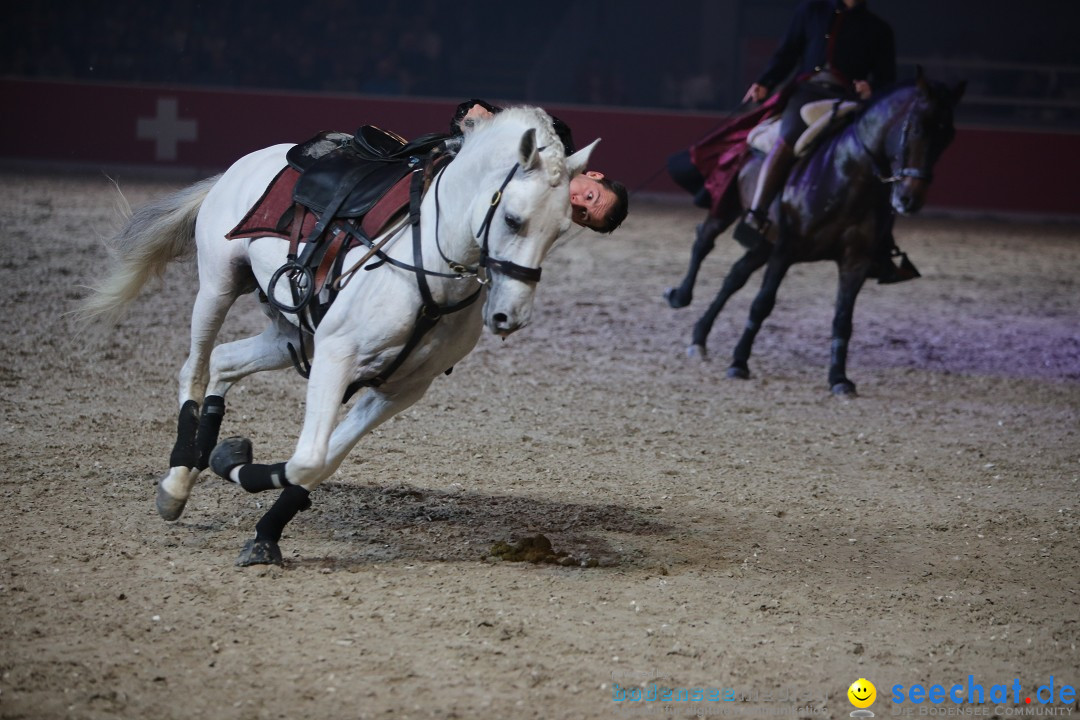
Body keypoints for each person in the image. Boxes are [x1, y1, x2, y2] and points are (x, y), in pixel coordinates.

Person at [732, 0, 896, 257]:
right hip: (809, 93)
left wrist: (871, 87)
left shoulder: (879, 29)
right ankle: (757, 213)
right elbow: (787, 52)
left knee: (878, 157)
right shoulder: (811, 11)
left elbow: (887, 77)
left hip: (848, 99)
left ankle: (884, 244)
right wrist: (765, 82)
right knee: (787, 140)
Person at [451, 99, 628, 234]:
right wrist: (472, 123)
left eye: (583, 214)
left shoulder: (534, 227)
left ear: (578, 223)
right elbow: (476, 109)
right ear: (595, 175)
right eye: (590, 196)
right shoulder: (556, 134)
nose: (577, 202)